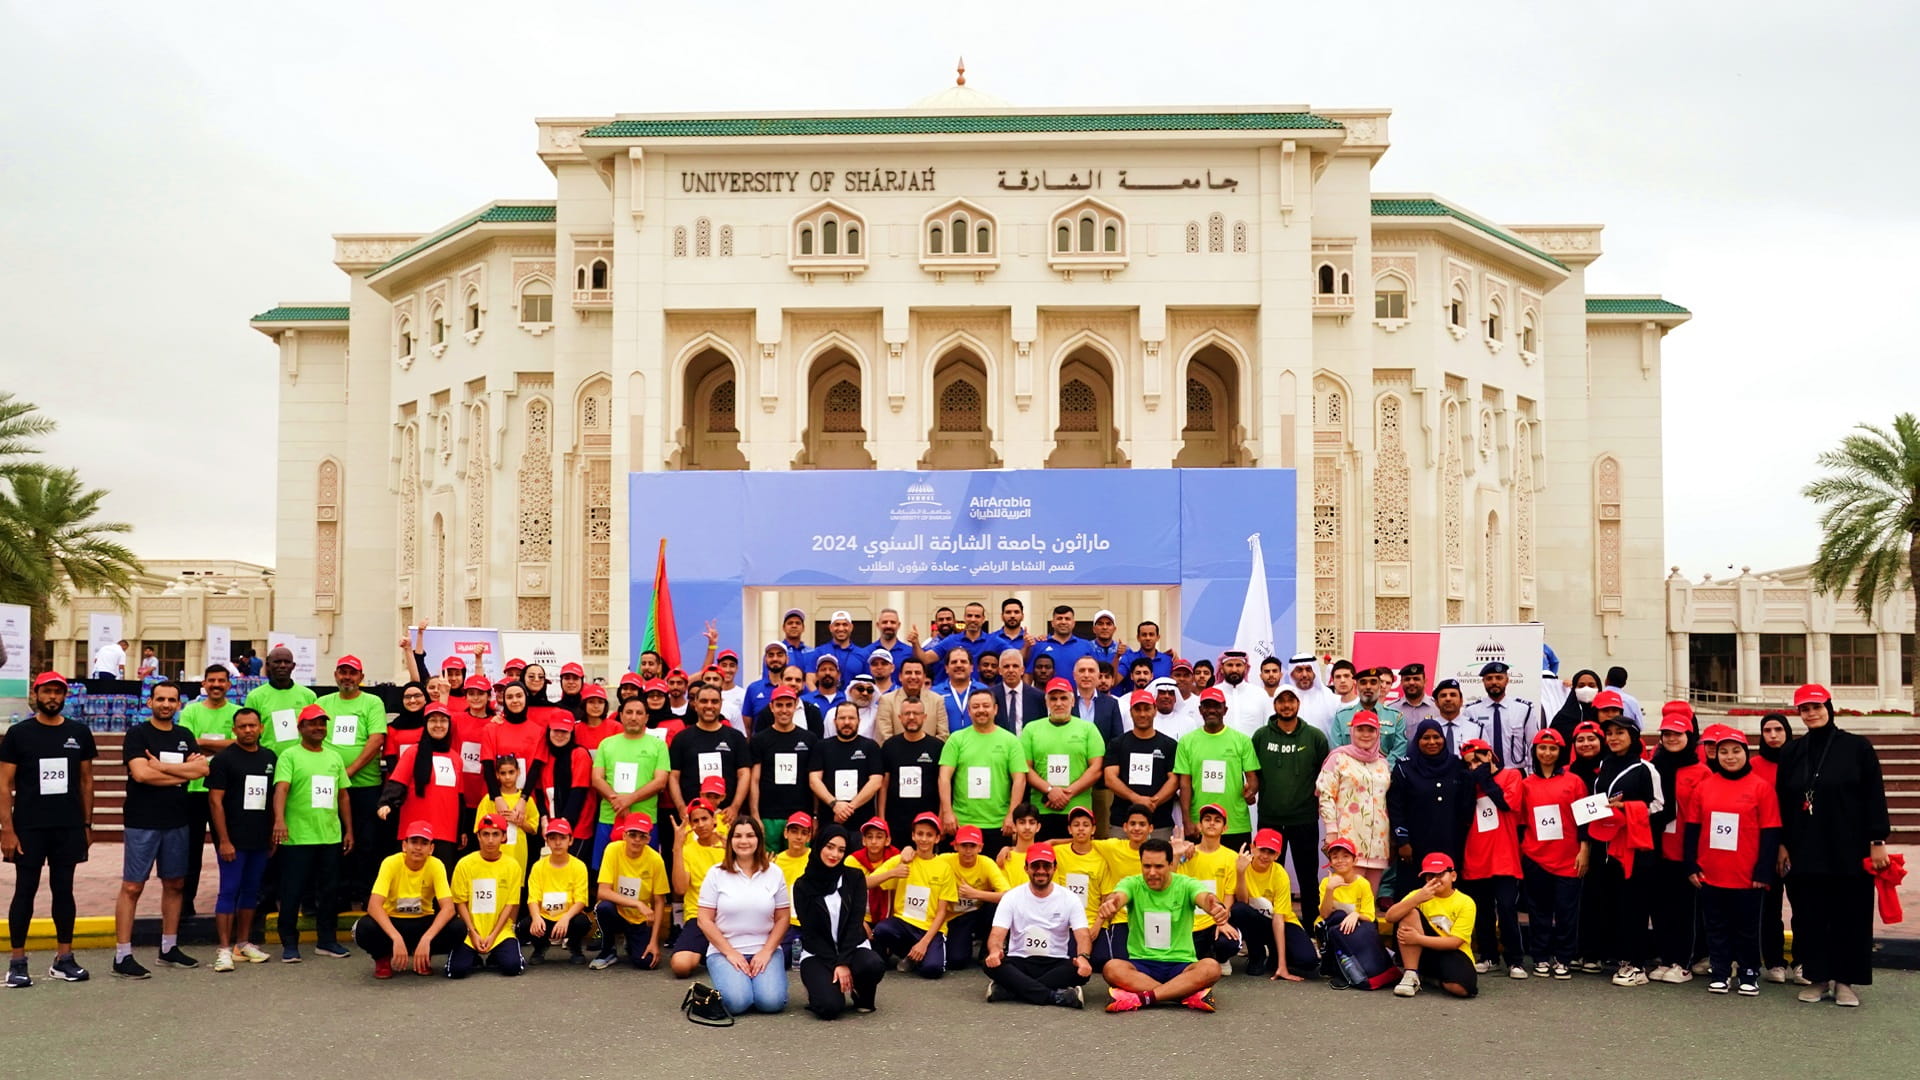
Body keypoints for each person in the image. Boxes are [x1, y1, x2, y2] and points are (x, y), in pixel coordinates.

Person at [1777, 683, 1890, 1008]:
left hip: (1849, 848)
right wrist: (1783, 843)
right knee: (1810, 915)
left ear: (1829, 707)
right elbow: (1783, 801)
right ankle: (1818, 977)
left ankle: (1845, 981)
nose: (1811, 713)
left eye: (1816, 707)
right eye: (1804, 709)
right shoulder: (1793, 752)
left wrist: (1877, 839)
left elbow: (1874, 796)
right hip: (1805, 848)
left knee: (1850, 915)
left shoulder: (1857, 748)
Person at [0, 672, 97, 987]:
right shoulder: (19, 734)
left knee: (64, 890)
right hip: (29, 827)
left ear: (64, 696)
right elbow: (4, 785)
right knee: (25, 890)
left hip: (68, 827)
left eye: (58, 692)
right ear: (36, 694)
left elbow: (86, 780)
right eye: (47, 691)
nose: (52, 697)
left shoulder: (79, 732)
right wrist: (7, 830)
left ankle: (63, 959)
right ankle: (17, 961)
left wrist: (86, 823)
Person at [114, 680, 207, 977]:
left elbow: (202, 770)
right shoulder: (138, 734)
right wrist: (181, 775)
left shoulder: (184, 735)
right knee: (132, 886)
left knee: (175, 884)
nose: (166, 704)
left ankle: (168, 948)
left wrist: (163, 769)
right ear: (150, 702)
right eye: (160, 699)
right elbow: (140, 775)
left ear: (179, 704)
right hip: (142, 821)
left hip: (177, 820)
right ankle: (122, 955)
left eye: (172, 700)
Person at [1684, 727, 1781, 996]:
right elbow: (1692, 828)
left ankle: (1749, 972)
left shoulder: (1761, 787)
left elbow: (1771, 831)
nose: (1729, 757)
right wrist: (1691, 865)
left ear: (1745, 753)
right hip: (1711, 871)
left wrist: (1763, 870)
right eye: (1723, 751)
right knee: (1715, 925)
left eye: (1736, 751)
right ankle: (1721, 971)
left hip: (1747, 874)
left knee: (1747, 927)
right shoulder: (1704, 786)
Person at [1095, 838, 1232, 1012]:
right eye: (1146, 866)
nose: (1152, 872)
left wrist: (1216, 907)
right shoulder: (1133, 883)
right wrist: (1111, 904)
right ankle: (1182, 994)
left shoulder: (1185, 884)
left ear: (1170, 864)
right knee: (1112, 968)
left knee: (1211, 967)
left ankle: (1144, 997)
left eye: (1159, 867)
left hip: (1181, 965)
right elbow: (1117, 896)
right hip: (1142, 965)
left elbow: (1206, 898)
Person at [1585, 692, 1662, 987]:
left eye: (1620, 733)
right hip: (1605, 847)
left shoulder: (1645, 768)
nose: (1614, 738)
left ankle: (1636, 965)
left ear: (1633, 735)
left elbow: (1659, 806)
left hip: (1634, 849)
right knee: (1612, 904)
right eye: (1610, 733)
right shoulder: (1604, 766)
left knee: (1634, 906)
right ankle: (1620, 957)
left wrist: (1626, 810)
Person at [272, 703, 354, 963]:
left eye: (322, 723)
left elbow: (343, 795)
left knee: (329, 891)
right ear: (300, 728)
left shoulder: (333, 757)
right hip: (298, 837)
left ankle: (327, 941)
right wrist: (279, 821)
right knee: (292, 891)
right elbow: (281, 790)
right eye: (312, 723)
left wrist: (348, 829)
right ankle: (289, 943)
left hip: (329, 836)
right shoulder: (290, 756)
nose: (318, 728)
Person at [205, 708, 276, 972]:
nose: (248, 730)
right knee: (229, 890)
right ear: (234, 730)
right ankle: (223, 949)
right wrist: (223, 840)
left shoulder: (269, 757)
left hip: (260, 838)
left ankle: (242, 943)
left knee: (250, 891)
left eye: (252, 726)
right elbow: (215, 801)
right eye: (242, 726)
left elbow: (273, 798)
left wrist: (272, 833)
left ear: (261, 728)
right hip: (232, 840)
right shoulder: (223, 760)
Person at [697, 817, 791, 1016]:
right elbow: (704, 920)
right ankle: (735, 987)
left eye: (750, 835)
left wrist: (766, 951)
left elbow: (783, 918)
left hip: (765, 948)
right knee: (738, 1002)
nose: (744, 841)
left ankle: (755, 984)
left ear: (759, 840)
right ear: (730, 841)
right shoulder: (716, 874)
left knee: (771, 1003)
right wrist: (730, 953)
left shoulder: (774, 873)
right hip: (725, 951)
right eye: (738, 836)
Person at [793, 822, 888, 1018]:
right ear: (819, 845)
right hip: (818, 953)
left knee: (872, 964)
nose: (834, 854)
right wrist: (837, 964)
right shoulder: (802, 886)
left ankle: (861, 992)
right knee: (830, 1008)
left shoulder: (855, 878)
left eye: (841, 850)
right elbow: (812, 934)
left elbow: (855, 924)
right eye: (830, 847)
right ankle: (820, 990)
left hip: (852, 947)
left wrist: (843, 962)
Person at [314, 655, 388, 901]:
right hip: (329, 786)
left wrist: (349, 772)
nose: (347, 677)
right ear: (335, 675)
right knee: (333, 841)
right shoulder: (323, 702)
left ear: (361, 677)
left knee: (366, 842)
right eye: (343, 672)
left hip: (365, 785)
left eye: (352, 673)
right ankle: (338, 894)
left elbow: (376, 739)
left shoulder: (371, 702)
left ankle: (366, 893)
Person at [984, 841, 1092, 1008]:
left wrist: (1084, 958)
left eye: (1046, 866)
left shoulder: (1070, 898)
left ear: (1055, 868)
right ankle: (1055, 996)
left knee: (1080, 971)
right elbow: (997, 934)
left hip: (1055, 962)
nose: (1041, 871)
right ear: (1026, 868)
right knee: (990, 964)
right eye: (1035, 866)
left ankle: (1011, 989)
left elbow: (1083, 935)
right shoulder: (1011, 897)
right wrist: (995, 951)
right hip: (1020, 960)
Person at [1517, 729, 1586, 979]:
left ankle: (1564, 958)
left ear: (1561, 751)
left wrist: (1584, 851)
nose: (1547, 753)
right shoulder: (1525, 784)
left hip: (1569, 858)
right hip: (1536, 857)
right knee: (1539, 912)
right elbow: (1521, 822)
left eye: (1553, 748)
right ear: (1535, 751)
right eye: (1542, 748)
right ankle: (1540, 957)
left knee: (1567, 912)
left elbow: (1584, 821)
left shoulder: (1574, 782)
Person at [354, 821, 462, 978]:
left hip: (422, 921)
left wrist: (427, 938)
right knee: (363, 927)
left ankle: (424, 957)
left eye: (424, 843)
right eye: (414, 842)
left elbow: (448, 908)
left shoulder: (436, 865)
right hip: (393, 921)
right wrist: (395, 937)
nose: (418, 847)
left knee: (458, 927)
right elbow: (374, 905)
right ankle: (382, 958)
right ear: (404, 845)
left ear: (431, 848)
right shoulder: (390, 863)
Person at [1648, 703, 1708, 984]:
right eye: (1667, 734)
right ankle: (1666, 956)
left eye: (1678, 734)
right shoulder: (1652, 768)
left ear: (1689, 736)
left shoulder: (1701, 772)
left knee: (1685, 909)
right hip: (1657, 847)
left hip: (1685, 849)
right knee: (1660, 907)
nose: (1672, 739)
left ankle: (1683, 961)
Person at [1251, 685, 1331, 897]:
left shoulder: (1315, 737)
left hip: (1303, 819)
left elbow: (1325, 775)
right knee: (1266, 873)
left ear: (1298, 703)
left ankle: (1312, 924)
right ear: (1274, 704)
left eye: (1291, 700)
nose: (1286, 706)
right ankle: (1267, 923)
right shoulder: (1260, 736)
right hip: (1270, 818)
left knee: (1308, 874)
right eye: (1281, 701)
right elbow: (1253, 774)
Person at [1457, 738, 1525, 977]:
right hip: (1476, 855)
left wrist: (1485, 781)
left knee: (1507, 908)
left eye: (1478, 759)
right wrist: (1470, 785)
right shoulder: (1470, 781)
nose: (1475, 766)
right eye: (1470, 764)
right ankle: (1488, 955)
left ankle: (1515, 959)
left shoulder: (1511, 776)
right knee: (1482, 910)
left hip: (1504, 855)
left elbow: (1507, 804)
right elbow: (1463, 816)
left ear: (1491, 756)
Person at [179, 664, 242, 921]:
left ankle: (230, 901)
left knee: (227, 849)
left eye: (221, 681)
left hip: (226, 792)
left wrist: (204, 742)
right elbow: (188, 743)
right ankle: (185, 904)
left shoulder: (238, 712)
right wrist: (223, 745)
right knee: (190, 852)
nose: (216, 685)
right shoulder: (191, 711)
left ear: (229, 685)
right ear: (203, 684)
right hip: (193, 790)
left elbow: (242, 742)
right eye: (211, 680)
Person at [1388, 719, 1482, 882]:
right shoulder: (1404, 768)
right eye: (1426, 738)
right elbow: (1396, 808)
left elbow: (1466, 803)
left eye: (1436, 737)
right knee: (1414, 890)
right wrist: (1402, 841)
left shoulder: (1457, 765)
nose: (1432, 742)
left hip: (1451, 840)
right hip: (1415, 844)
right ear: (1418, 740)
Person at [939, 689, 1029, 855]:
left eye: (986, 706)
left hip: (998, 824)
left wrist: (1011, 815)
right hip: (963, 822)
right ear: (969, 711)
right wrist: (947, 812)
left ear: (995, 709)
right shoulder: (957, 739)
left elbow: (1019, 780)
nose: (981, 710)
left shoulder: (1010, 741)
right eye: (976, 706)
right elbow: (944, 777)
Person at [868, 812, 957, 977]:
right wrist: (893, 873)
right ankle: (909, 954)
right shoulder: (902, 859)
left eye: (929, 835)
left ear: (937, 838)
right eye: (920, 834)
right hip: (904, 923)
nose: (924, 839)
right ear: (913, 836)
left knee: (932, 971)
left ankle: (919, 955)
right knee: (881, 930)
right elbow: (865, 883)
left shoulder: (944, 868)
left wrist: (924, 943)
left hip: (929, 929)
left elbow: (942, 911)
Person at [1316, 710, 1392, 895]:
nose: (1366, 734)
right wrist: (1332, 831)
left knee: (1368, 900)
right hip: (1348, 837)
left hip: (1378, 841)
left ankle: (1367, 925)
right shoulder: (1338, 758)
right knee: (1347, 898)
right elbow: (1326, 795)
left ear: (1378, 733)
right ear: (1352, 732)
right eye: (1360, 729)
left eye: (1371, 730)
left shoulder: (1383, 763)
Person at [1173, 687, 1260, 849]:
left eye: (1217, 706)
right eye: (1207, 706)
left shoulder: (1242, 741)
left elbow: (1252, 778)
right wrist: (1187, 820)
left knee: (1236, 872)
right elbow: (1184, 784)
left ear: (1225, 710)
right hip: (1199, 825)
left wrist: (1251, 791)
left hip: (1235, 824)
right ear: (1200, 710)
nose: (1212, 710)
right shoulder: (1187, 742)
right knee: (1198, 874)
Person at [591, 697, 672, 868]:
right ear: (620, 715)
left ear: (646, 718)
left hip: (645, 821)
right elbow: (597, 779)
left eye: (639, 713)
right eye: (629, 712)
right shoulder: (607, 744)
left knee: (644, 875)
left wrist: (630, 799)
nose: (633, 717)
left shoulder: (658, 746)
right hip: (609, 819)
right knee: (606, 873)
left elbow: (660, 781)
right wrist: (618, 801)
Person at [378, 704, 463, 868]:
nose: (438, 725)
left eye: (443, 721)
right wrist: (386, 803)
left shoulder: (456, 759)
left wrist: (461, 830)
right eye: (433, 721)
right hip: (415, 831)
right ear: (426, 725)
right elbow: (398, 782)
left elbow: (459, 798)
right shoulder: (412, 752)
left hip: (446, 832)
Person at [1021, 678, 1106, 840]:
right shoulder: (1031, 729)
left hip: (1078, 812)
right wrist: (1050, 791)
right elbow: (1025, 768)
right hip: (1042, 809)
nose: (1058, 703)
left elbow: (1096, 769)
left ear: (1072, 701)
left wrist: (1067, 793)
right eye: (1053, 699)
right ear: (1046, 702)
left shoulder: (1088, 729)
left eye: (1063, 698)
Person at [1385, 853, 1479, 999]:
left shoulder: (1466, 902)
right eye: (1429, 876)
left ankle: (1429, 979)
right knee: (1408, 912)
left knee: (1463, 989)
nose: (1435, 880)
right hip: (1421, 951)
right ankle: (1411, 974)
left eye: (1440, 874)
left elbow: (1455, 942)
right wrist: (1416, 899)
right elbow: (1390, 917)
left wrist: (1418, 939)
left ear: (1453, 876)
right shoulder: (1419, 894)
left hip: (1451, 951)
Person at [1231, 828, 1319, 980]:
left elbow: (1279, 919)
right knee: (1239, 910)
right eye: (1262, 850)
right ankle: (1256, 955)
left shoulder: (1280, 874)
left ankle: (1276, 955)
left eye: (1271, 852)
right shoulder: (1241, 866)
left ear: (1277, 855)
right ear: (1253, 847)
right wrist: (1240, 874)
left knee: (1308, 961)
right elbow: (1242, 902)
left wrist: (1282, 965)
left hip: (1282, 922)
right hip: (1255, 921)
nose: (1265, 856)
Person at [447, 814, 526, 978]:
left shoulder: (512, 866)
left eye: (495, 834)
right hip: (471, 932)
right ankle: (473, 956)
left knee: (513, 967)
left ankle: (496, 954)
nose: (490, 840)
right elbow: (460, 902)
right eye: (486, 834)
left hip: (499, 932)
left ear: (504, 837)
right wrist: (473, 932)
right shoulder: (464, 864)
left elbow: (510, 905)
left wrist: (493, 935)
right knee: (456, 971)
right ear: (478, 836)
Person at [591, 812, 670, 970]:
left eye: (643, 836)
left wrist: (654, 942)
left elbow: (660, 901)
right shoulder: (612, 850)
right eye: (632, 835)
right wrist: (638, 904)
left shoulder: (655, 860)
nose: (637, 840)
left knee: (646, 962)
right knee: (603, 907)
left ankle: (631, 942)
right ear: (624, 835)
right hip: (617, 911)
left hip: (640, 919)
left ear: (649, 839)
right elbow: (603, 892)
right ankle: (608, 950)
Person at [1751, 712, 1795, 981]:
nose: (1773, 735)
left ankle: (1804, 962)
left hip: (1798, 845)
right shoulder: (1753, 765)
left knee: (1804, 908)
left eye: (1778, 729)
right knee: (1769, 909)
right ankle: (1775, 962)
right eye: (1767, 730)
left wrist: (1787, 844)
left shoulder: (1800, 761)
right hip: (1764, 846)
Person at [670, 685, 753, 824]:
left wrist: (735, 806)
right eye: (704, 701)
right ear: (695, 704)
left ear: (721, 704)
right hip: (693, 817)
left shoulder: (735, 737)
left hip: (726, 816)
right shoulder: (682, 738)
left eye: (714, 701)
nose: (709, 706)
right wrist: (681, 807)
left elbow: (744, 774)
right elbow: (673, 776)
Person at [1104, 689, 1179, 841]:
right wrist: (1135, 798)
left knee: (1159, 863)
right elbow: (1110, 778)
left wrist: (1154, 801)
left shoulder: (1169, 745)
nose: (1142, 714)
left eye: (1147, 709)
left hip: (1159, 822)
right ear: (1131, 712)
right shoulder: (1117, 744)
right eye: (1137, 709)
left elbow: (1174, 780)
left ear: (1155, 710)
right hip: (1122, 822)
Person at [668, 801, 729, 976]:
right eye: (695, 821)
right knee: (680, 966)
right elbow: (680, 888)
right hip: (699, 916)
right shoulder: (687, 850)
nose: (701, 824)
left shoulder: (728, 845)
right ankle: (708, 950)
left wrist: (733, 853)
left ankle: (710, 950)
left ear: (714, 819)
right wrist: (677, 847)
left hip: (728, 917)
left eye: (705, 818)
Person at [1177, 804, 1242, 966]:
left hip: (1214, 921)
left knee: (1228, 943)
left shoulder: (1231, 857)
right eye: (1207, 819)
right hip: (1189, 921)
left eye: (1217, 820)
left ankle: (1221, 959)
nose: (1212, 823)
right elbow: (1176, 887)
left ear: (1224, 828)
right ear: (1199, 825)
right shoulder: (1187, 854)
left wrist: (1222, 921)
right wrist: (1176, 855)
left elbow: (1229, 895)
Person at [938, 824, 1008, 968]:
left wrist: (975, 894)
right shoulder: (944, 860)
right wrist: (908, 850)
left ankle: (987, 951)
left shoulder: (987, 863)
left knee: (996, 905)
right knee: (956, 961)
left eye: (972, 846)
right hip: (956, 917)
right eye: (964, 846)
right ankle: (963, 943)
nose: (968, 851)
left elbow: (1008, 895)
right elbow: (923, 859)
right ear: (955, 846)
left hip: (980, 913)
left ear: (980, 847)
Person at [749, 685, 814, 838]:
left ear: (795, 706)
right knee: (769, 860)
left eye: (788, 705)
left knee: (799, 860)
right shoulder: (759, 740)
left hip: (801, 815)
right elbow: (754, 780)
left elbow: (814, 780)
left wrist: (815, 815)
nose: (784, 710)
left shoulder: (809, 739)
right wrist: (755, 814)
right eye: (779, 705)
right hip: (768, 816)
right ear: (771, 707)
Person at [525, 821, 591, 964]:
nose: (558, 843)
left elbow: (581, 900)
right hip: (545, 916)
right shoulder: (538, 867)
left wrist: (566, 918)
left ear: (571, 840)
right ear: (547, 841)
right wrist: (536, 918)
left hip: (569, 917)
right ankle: (540, 947)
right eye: (553, 838)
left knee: (582, 922)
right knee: (525, 925)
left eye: (562, 838)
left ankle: (574, 945)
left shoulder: (579, 866)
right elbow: (533, 898)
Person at [810, 701, 885, 828]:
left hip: (862, 823)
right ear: (834, 721)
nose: (847, 722)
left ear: (859, 721)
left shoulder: (870, 746)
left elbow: (876, 781)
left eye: (851, 718)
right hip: (829, 820)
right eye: (842, 718)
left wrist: (848, 809)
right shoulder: (821, 747)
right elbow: (814, 780)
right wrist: (835, 804)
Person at [879, 698, 943, 844]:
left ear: (924, 717)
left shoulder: (937, 746)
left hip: (928, 822)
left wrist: (941, 818)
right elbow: (884, 784)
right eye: (907, 713)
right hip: (896, 820)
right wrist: (882, 818)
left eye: (916, 713)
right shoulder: (889, 746)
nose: (912, 717)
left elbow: (942, 784)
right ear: (900, 718)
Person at [1461, 661, 1540, 769]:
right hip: (1485, 773)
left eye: (1499, 678)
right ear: (1483, 681)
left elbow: (1533, 744)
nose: (1494, 682)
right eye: (1489, 678)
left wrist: (1532, 773)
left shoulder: (1524, 709)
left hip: (1515, 773)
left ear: (1507, 680)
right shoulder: (1471, 711)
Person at [244, 645, 316, 752]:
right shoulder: (255, 697)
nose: (282, 665)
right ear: (268, 665)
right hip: (267, 759)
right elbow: (248, 731)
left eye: (286, 662)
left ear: (293, 666)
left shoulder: (309, 696)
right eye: (277, 662)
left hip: (300, 759)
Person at [475, 756, 539, 876]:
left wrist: (520, 822)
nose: (508, 777)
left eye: (511, 772)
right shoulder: (489, 799)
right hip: (493, 856)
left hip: (518, 854)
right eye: (503, 773)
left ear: (518, 772)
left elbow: (533, 829)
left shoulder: (527, 801)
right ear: (497, 775)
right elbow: (478, 829)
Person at [1333, 667, 1405, 761]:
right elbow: (1337, 749)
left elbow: (1399, 750)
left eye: (1373, 682)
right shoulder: (1342, 716)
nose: (1368, 687)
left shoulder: (1395, 717)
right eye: (1363, 682)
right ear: (1357, 686)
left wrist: (1383, 769)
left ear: (1379, 686)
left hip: (1385, 772)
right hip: (1350, 771)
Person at [874, 657, 949, 742]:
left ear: (924, 677)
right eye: (908, 673)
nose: (913, 677)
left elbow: (943, 734)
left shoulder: (937, 700)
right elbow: (884, 736)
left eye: (917, 673)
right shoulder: (886, 700)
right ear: (900, 677)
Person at [852, 818, 899, 924]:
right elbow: (848, 894)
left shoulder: (895, 858)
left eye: (879, 837)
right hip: (860, 917)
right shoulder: (853, 860)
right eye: (869, 837)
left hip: (889, 918)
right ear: (863, 840)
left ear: (887, 840)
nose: (873, 841)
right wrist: (862, 923)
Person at [994, 648, 1044, 734]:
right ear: (1000, 671)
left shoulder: (1038, 697)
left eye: (1015, 666)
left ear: (1022, 670)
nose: (1011, 670)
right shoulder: (991, 695)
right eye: (1006, 666)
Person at [1549, 669, 1603, 744]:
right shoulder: (1562, 719)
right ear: (1574, 689)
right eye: (1581, 686)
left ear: (1599, 688)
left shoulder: (1605, 716)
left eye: (1591, 686)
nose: (1586, 689)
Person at [1395, 663, 1438, 729]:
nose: (1411, 682)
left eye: (1416, 679)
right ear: (1401, 682)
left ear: (1425, 682)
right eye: (1407, 679)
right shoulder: (1392, 708)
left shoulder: (1437, 707)